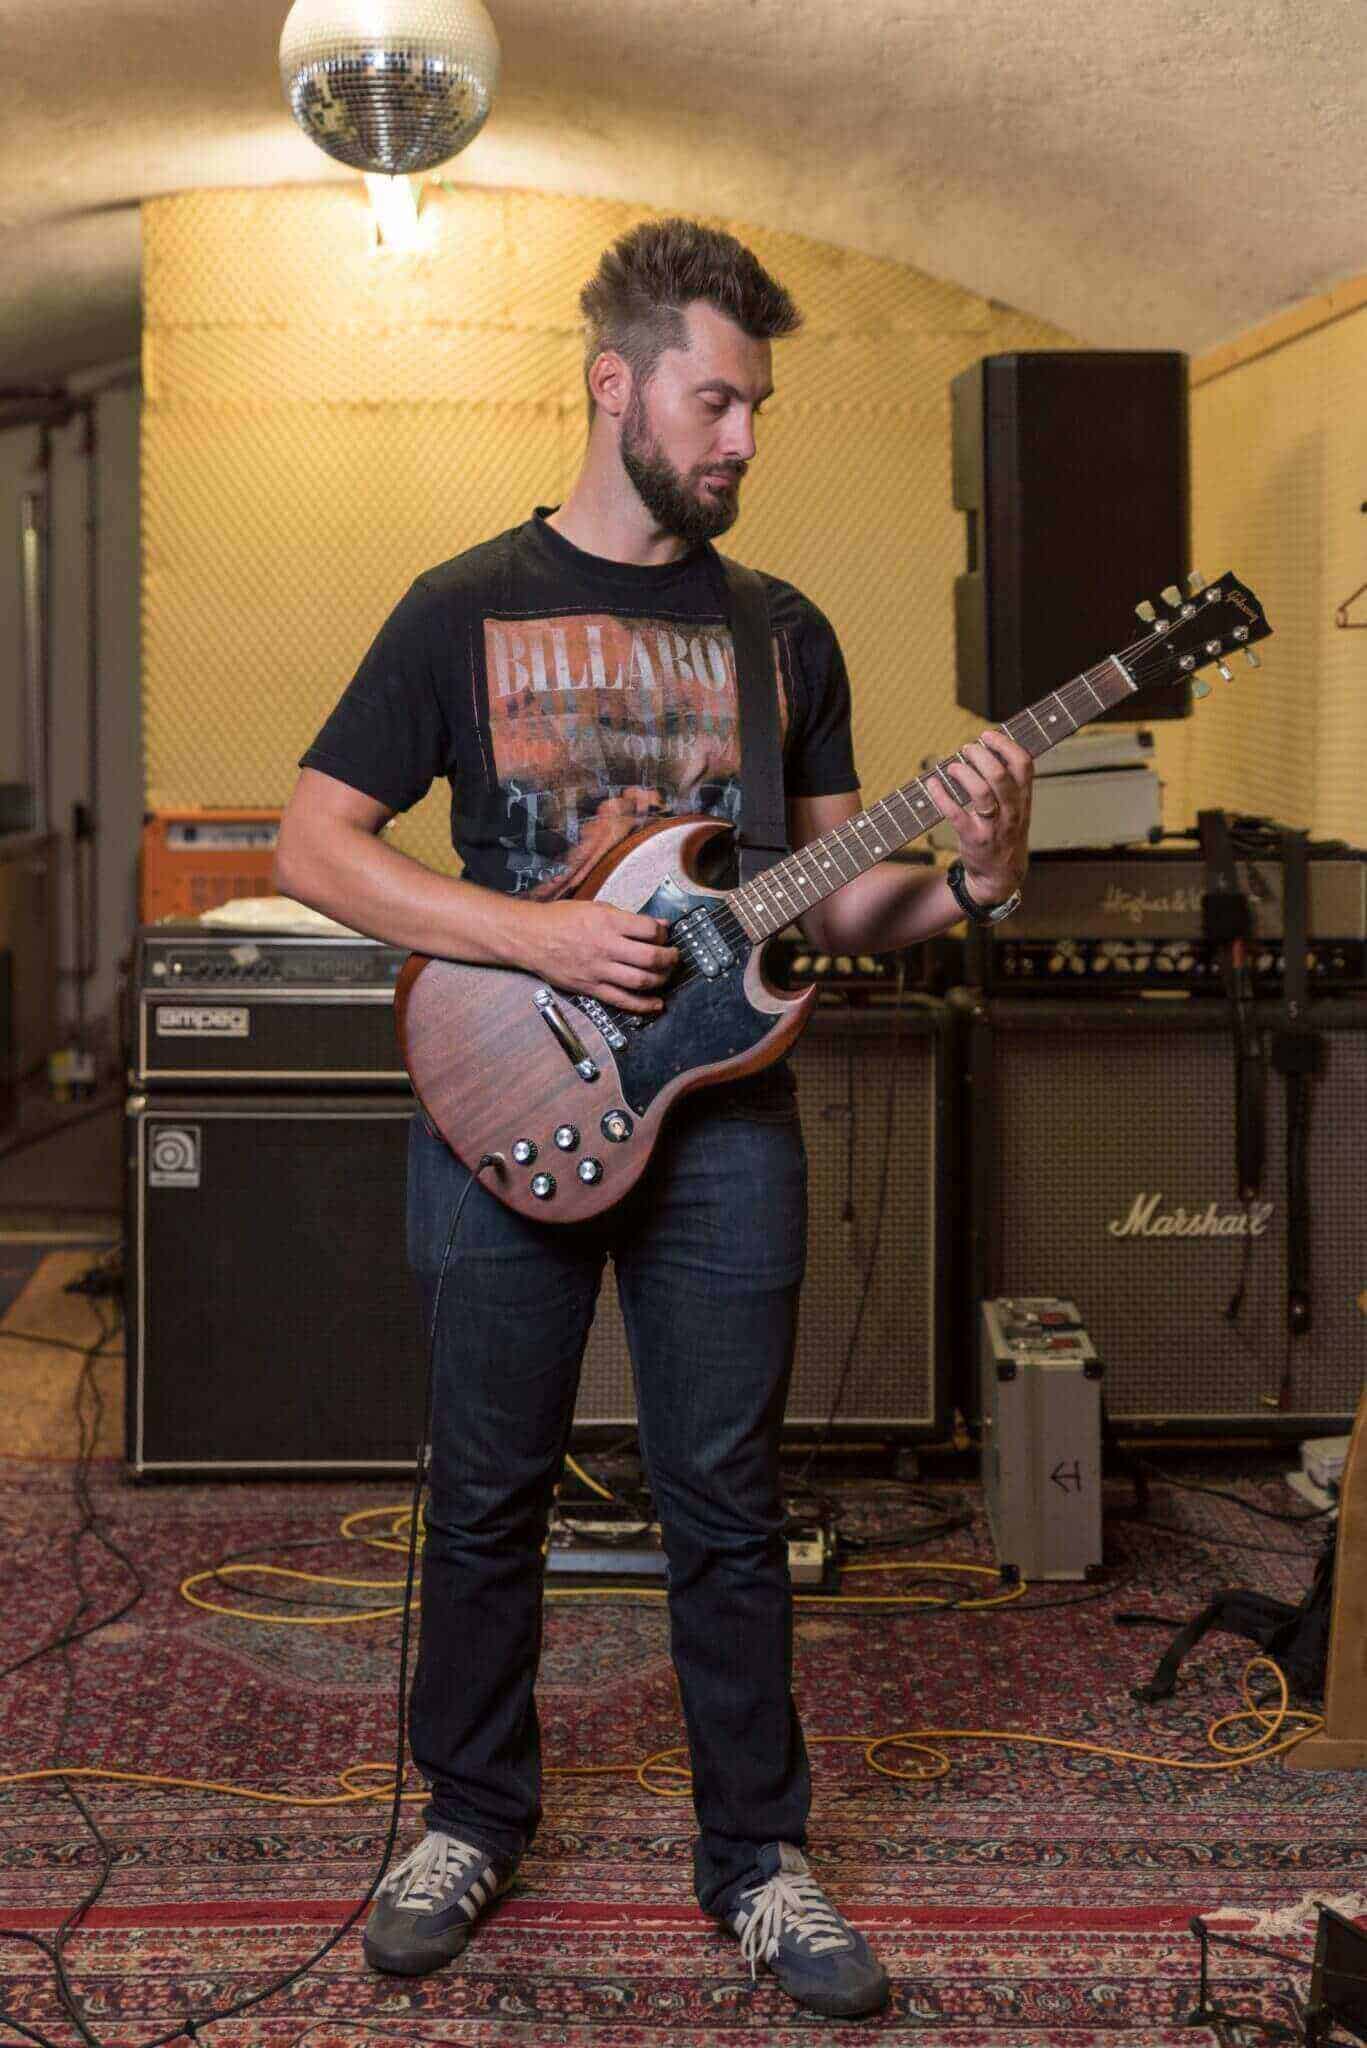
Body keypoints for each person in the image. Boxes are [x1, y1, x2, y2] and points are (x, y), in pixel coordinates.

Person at [274, 216, 1033, 2022]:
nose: (743, 441)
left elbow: (832, 898)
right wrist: (540, 930)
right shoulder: (462, 606)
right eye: (716, 401)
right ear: (612, 387)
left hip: (725, 1129)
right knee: (487, 1494)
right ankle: (466, 1817)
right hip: (501, 1097)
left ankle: (757, 1860)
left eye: (756, 408)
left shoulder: (786, 634)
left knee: (728, 1497)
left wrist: (977, 883)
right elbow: (318, 845)